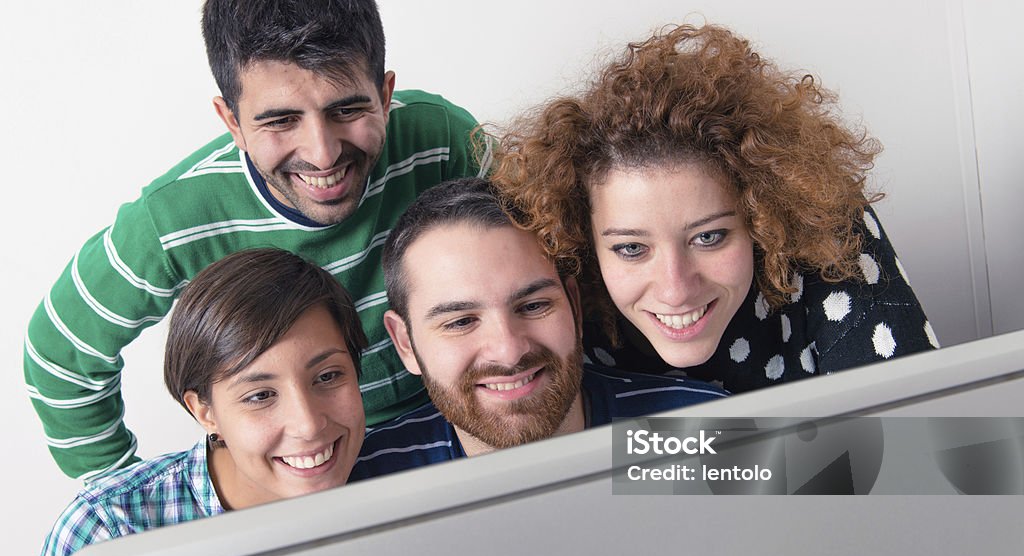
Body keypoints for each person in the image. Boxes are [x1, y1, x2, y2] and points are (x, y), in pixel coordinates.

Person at [25, 0, 485, 480]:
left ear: (385, 94)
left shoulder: (443, 139)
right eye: (280, 121)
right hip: (295, 470)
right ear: (232, 122)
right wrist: (118, 492)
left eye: (346, 109)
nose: (322, 154)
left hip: (449, 433)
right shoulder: (172, 217)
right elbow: (58, 353)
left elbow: (549, 263)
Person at [491, 23, 939, 394]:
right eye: (630, 248)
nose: (675, 289)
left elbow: (921, 450)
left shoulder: (823, 230)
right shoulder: (562, 293)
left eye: (708, 237)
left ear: (763, 218)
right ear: (585, 244)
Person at [32, 248, 368, 556]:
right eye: (260, 395)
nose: (308, 424)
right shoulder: (105, 528)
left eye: (328, 377)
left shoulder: (413, 478)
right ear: (205, 412)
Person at [348, 177, 727, 477]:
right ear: (405, 344)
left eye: (533, 306)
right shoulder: (368, 479)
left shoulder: (699, 434)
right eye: (461, 322)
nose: (509, 350)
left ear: (575, 309)